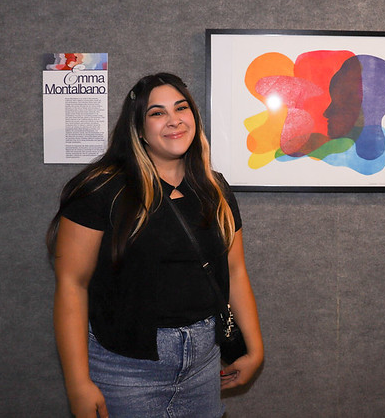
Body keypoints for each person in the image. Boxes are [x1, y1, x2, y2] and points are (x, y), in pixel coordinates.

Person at [46, 73, 264, 417]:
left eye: (181, 108)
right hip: (124, 370)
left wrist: (254, 349)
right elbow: (72, 285)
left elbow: (235, 271)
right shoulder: (100, 190)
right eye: (157, 113)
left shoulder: (215, 189)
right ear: (139, 129)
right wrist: (77, 383)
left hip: (204, 364)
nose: (174, 120)